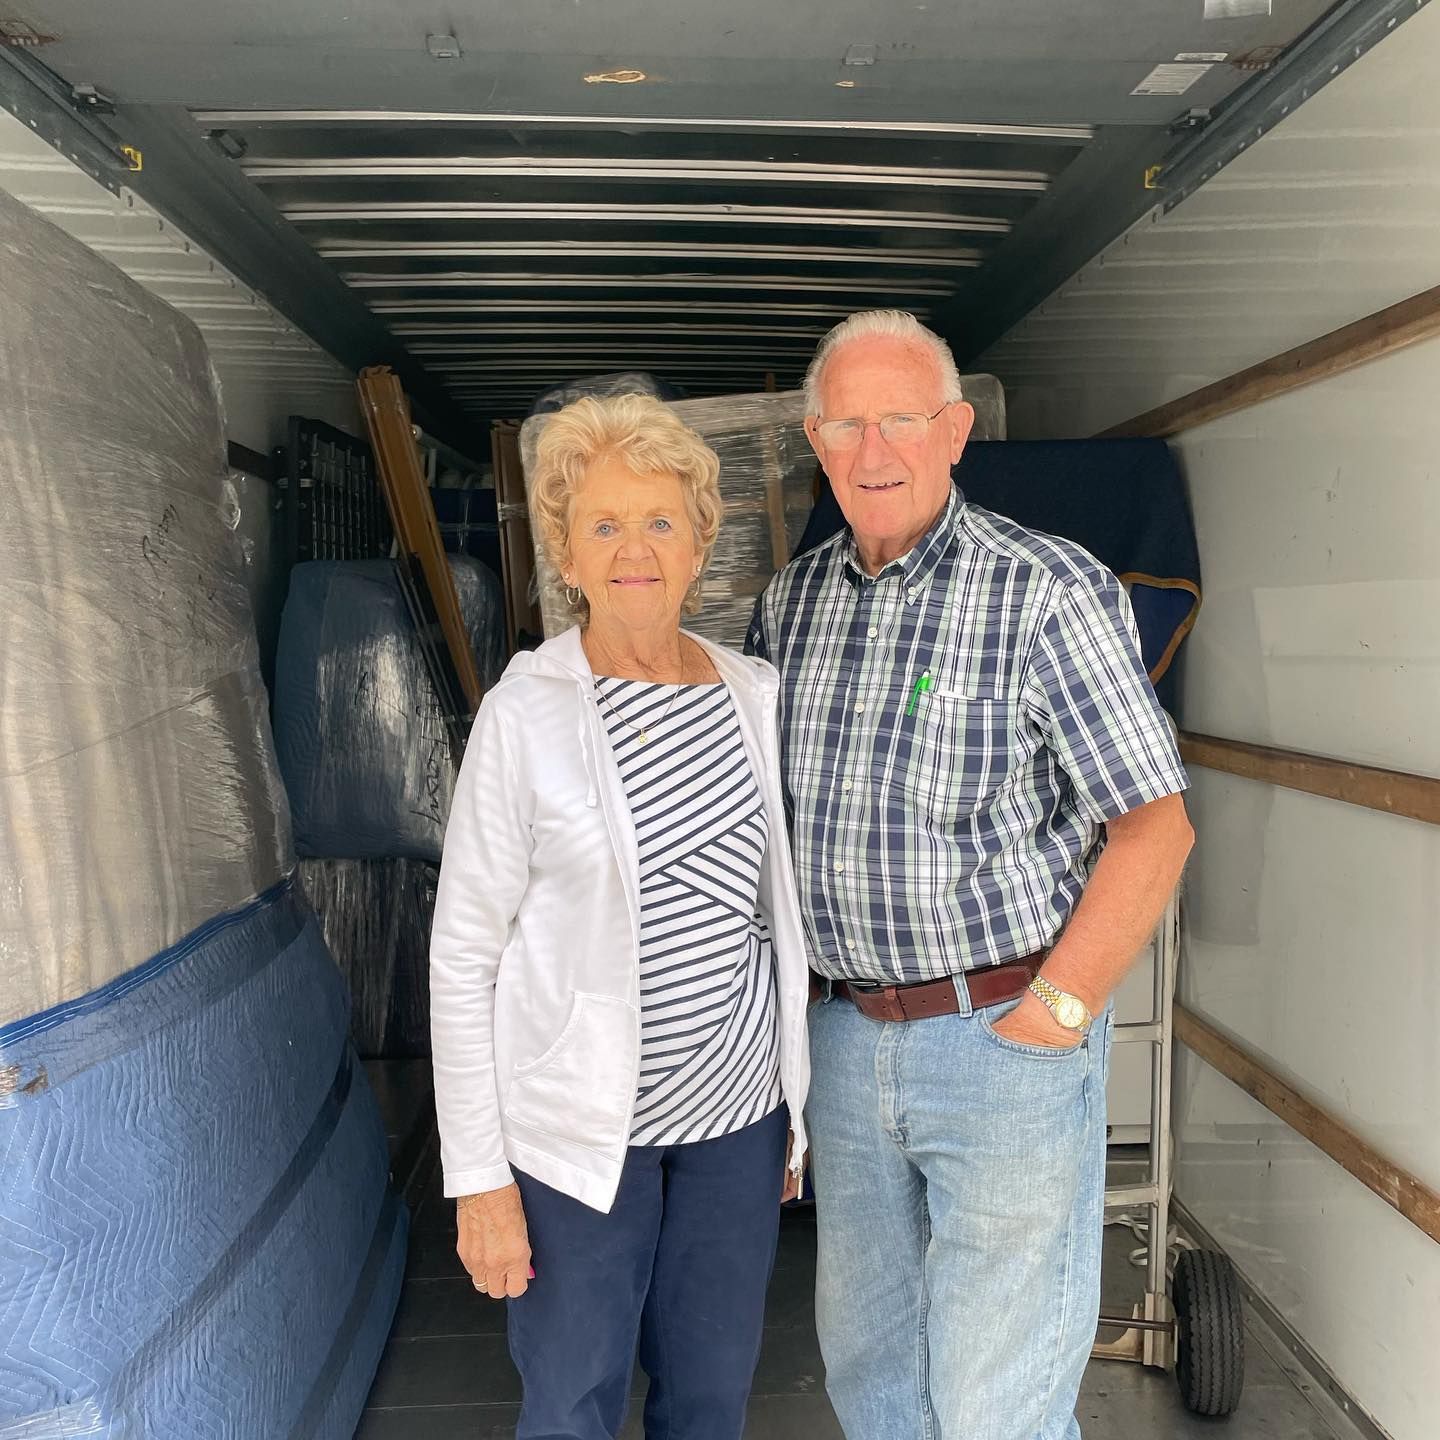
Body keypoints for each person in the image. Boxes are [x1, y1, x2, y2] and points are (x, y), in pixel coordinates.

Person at [746, 310, 1194, 1440]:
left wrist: (1055, 1016)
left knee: (1001, 1395)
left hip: (1001, 1037)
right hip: (847, 1042)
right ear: (815, 441)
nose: (873, 451)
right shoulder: (789, 606)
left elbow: (1156, 831)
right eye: (846, 425)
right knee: (873, 1372)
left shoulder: (1045, 590)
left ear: (954, 433)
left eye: (901, 420)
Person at [429, 392, 811, 1440]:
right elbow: (462, 957)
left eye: (658, 521)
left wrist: (792, 1105)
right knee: (571, 1406)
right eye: (603, 524)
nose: (633, 549)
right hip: (577, 1141)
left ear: (700, 543)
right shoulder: (524, 713)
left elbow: (772, 915)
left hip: (734, 1125)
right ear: (565, 552)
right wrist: (479, 1180)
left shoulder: (753, 693)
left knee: (710, 1403)